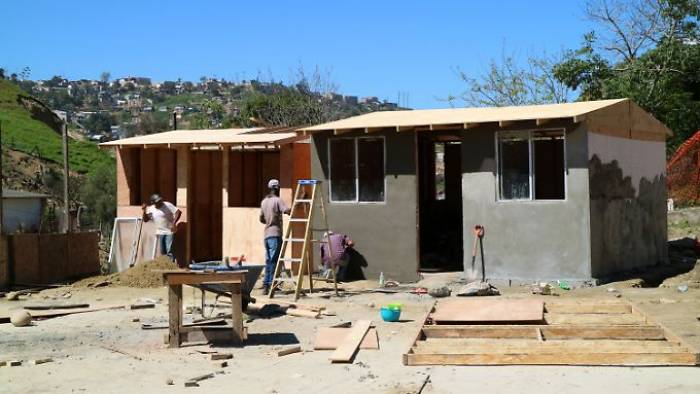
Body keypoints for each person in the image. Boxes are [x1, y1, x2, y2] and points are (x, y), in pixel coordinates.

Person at [259, 179, 291, 294]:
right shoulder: (277, 200)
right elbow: (287, 211)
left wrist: (269, 219)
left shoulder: (264, 202)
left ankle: (266, 284)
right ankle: (269, 285)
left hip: (266, 235)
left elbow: (261, 219)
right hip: (275, 234)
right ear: (277, 188)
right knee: (273, 261)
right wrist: (299, 201)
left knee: (268, 260)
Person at [142, 193, 181, 262]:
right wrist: (144, 211)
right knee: (163, 251)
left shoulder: (167, 205)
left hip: (169, 231)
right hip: (160, 232)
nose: (160, 202)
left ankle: (170, 266)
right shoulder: (151, 209)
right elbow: (145, 220)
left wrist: (173, 223)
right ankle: (165, 265)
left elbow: (178, 212)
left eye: (160, 200)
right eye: (158, 202)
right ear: (153, 203)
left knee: (169, 250)